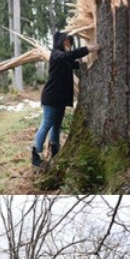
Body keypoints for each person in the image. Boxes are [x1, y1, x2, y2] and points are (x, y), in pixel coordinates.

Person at [31, 31, 100, 166]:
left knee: (56, 127)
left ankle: (56, 153)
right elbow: (69, 55)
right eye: (66, 40)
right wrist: (88, 49)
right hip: (51, 98)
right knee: (46, 124)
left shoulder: (65, 59)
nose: (68, 43)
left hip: (60, 99)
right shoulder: (56, 54)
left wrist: (86, 61)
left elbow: (75, 62)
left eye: (69, 40)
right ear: (60, 42)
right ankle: (35, 156)